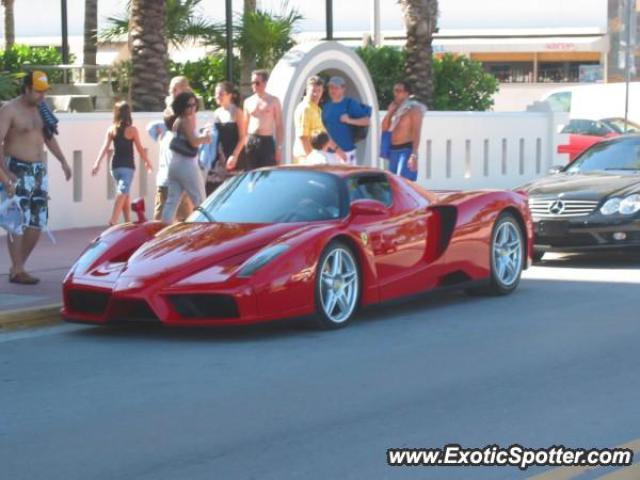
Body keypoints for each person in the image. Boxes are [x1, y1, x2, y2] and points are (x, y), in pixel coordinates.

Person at [0, 70, 72, 284]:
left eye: (44, 91)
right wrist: (5, 175)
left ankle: (19, 265)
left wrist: (63, 161)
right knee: (17, 221)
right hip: (17, 169)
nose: (42, 95)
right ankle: (18, 269)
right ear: (27, 89)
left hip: (38, 171)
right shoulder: (9, 110)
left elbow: (48, 138)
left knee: (38, 221)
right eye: (38, 91)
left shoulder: (42, 110)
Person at [92, 101, 152, 225]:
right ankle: (114, 219)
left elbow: (104, 147)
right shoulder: (132, 130)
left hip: (114, 167)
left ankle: (127, 222)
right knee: (123, 191)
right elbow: (140, 148)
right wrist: (147, 161)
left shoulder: (111, 129)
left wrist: (97, 163)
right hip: (128, 167)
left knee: (125, 194)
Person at [161, 91, 211, 223]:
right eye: (189, 105)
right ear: (182, 106)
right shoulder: (185, 121)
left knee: (171, 202)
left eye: (194, 104)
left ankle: (162, 229)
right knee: (200, 200)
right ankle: (204, 228)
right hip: (187, 165)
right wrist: (205, 138)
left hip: (174, 165)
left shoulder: (177, 121)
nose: (193, 108)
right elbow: (193, 141)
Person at [149, 76, 193, 221]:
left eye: (175, 89)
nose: (171, 92)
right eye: (171, 89)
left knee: (186, 219)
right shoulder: (170, 110)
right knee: (161, 216)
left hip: (180, 174)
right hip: (167, 175)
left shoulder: (187, 113)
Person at [381, 81, 426, 182]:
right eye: (394, 91)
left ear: (407, 93)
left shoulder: (414, 109)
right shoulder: (395, 110)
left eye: (398, 91)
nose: (395, 93)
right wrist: (390, 113)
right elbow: (384, 129)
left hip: (405, 151)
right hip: (392, 151)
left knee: (405, 184)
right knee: (392, 184)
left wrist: (413, 155)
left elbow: (416, 133)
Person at [322, 76, 372, 165]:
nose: (333, 90)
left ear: (343, 88)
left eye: (336, 88)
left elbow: (367, 121)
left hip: (347, 152)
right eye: (331, 87)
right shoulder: (326, 106)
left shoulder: (350, 103)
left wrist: (349, 120)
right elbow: (323, 127)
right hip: (329, 152)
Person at [208, 81, 245, 193]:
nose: (217, 96)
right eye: (216, 94)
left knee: (235, 189)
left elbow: (243, 137)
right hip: (221, 157)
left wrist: (234, 156)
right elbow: (216, 137)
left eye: (221, 94)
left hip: (235, 155)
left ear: (229, 95)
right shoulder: (216, 113)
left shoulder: (237, 112)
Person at [242, 70, 283, 170]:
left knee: (267, 174)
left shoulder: (273, 101)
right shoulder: (248, 101)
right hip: (252, 140)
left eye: (257, 83)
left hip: (266, 141)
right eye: (252, 83)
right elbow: (245, 125)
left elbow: (279, 126)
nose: (254, 85)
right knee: (251, 174)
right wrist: (244, 144)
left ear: (265, 83)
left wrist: (279, 147)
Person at [293, 76, 326, 163]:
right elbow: (303, 137)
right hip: (305, 159)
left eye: (319, 91)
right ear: (307, 90)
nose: (316, 94)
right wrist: (312, 159)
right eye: (313, 91)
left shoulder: (317, 109)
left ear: (322, 91)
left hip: (315, 156)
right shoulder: (305, 108)